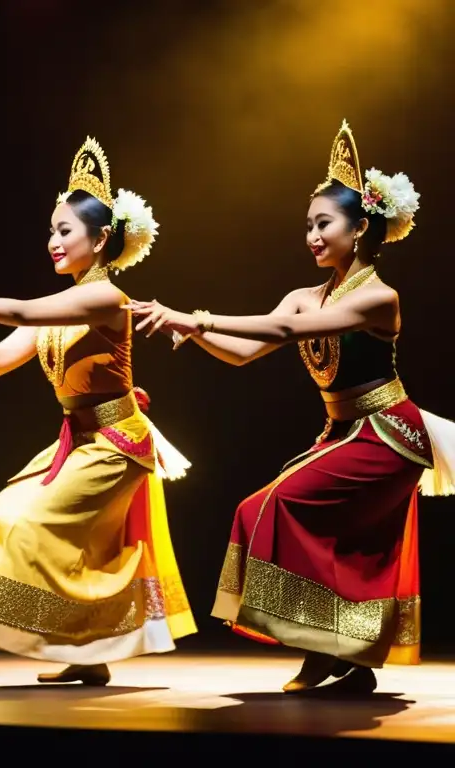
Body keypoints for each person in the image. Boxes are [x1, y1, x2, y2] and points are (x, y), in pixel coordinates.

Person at [128, 120, 455, 694]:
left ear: (359, 229)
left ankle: (325, 650)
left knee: (275, 505)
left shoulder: (380, 298)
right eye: (307, 224)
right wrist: (195, 332)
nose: (311, 234)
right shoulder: (307, 295)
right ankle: (348, 658)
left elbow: (283, 330)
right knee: (312, 531)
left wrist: (195, 317)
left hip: (388, 433)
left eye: (323, 223)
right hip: (345, 431)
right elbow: (243, 350)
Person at [0, 137, 195, 686]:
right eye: (51, 230)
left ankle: (86, 642)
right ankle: (87, 651)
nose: (52, 240)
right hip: (78, 440)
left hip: (118, 442)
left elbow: (22, 310)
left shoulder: (104, 299)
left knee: (38, 531)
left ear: (100, 240)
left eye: (64, 231)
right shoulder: (62, 305)